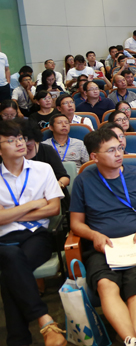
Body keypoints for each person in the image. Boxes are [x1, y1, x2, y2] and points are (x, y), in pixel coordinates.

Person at [70, 128, 136, 346]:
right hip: (103, 247)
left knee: (134, 286)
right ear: (94, 156)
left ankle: (131, 340)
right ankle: (135, 341)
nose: (118, 154)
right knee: (106, 284)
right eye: (111, 150)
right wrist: (94, 235)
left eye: (120, 148)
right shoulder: (83, 181)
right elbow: (75, 223)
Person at [0, 120, 68, 346]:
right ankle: (45, 321)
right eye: (11, 140)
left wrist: (11, 213)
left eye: (20, 138)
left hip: (37, 235)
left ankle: (19, 339)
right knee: (11, 261)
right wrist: (33, 205)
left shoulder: (43, 169)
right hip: (4, 238)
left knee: (9, 273)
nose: (20, 143)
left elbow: (54, 208)